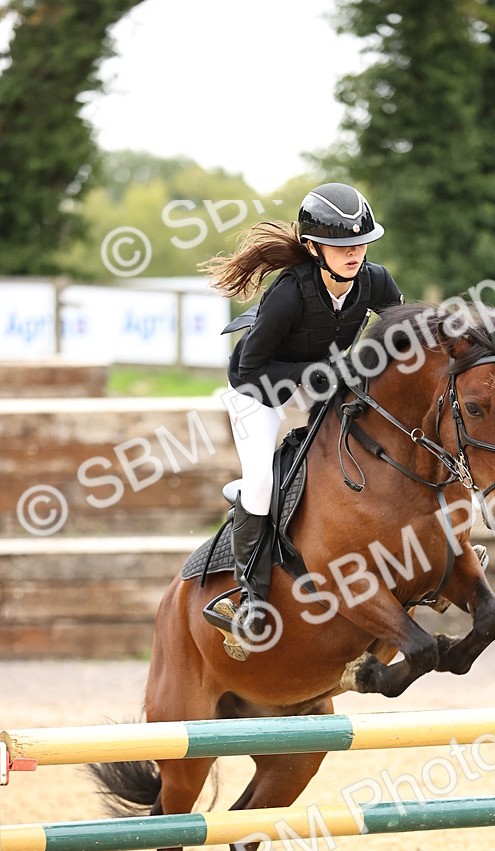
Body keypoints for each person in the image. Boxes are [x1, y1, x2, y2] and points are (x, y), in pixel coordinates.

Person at [200, 183, 402, 636]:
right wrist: (323, 370)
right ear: (313, 247)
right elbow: (247, 373)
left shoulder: (377, 282)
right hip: (259, 389)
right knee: (260, 485)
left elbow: (402, 340)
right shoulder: (288, 295)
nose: (354, 253)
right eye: (341, 245)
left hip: (320, 380)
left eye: (360, 243)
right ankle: (249, 598)